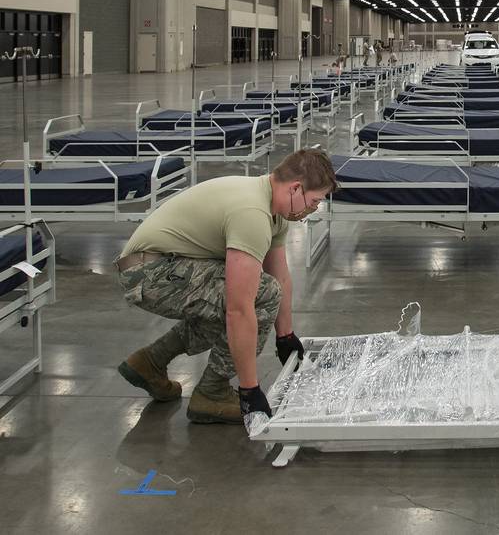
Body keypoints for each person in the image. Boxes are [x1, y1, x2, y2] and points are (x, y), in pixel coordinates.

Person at [114, 150, 337, 425]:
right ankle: (213, 393)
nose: (312, 209)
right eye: (314, 201)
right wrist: (250, 389)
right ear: (295, 188)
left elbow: (281, 276)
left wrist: (285, 336)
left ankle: (151, 362)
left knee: (235, 297)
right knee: (259, 296)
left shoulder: (274, 209)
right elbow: (240, 308)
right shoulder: (252, 214)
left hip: (164, 266)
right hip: (149, 274)